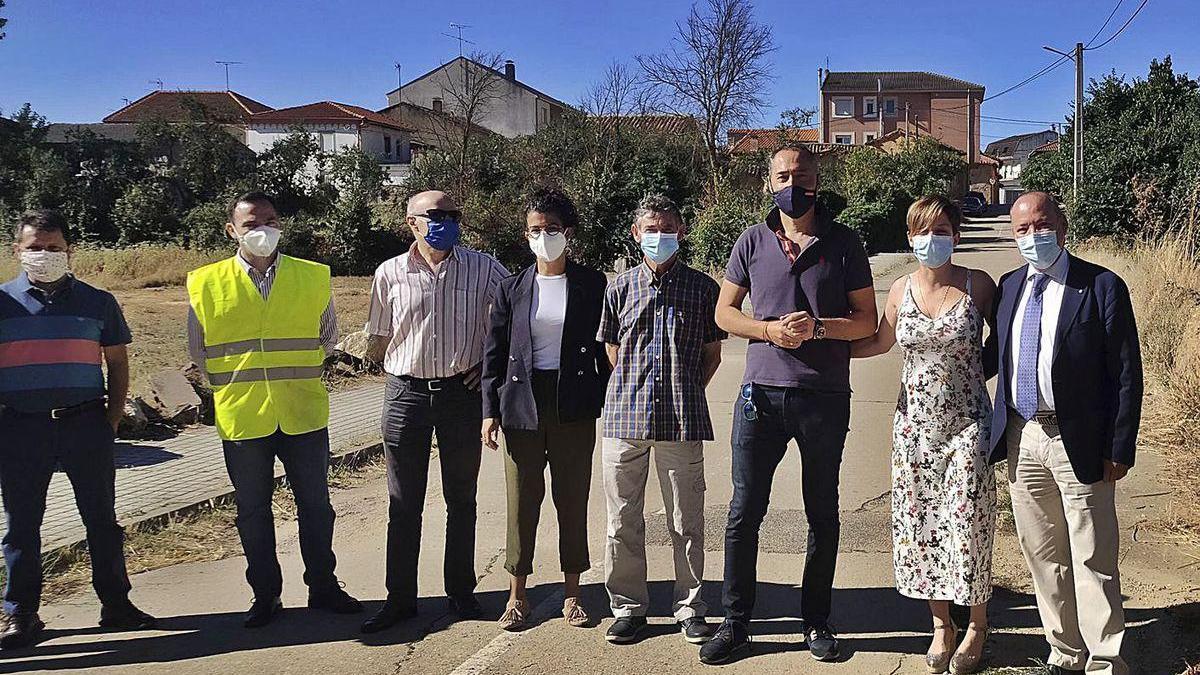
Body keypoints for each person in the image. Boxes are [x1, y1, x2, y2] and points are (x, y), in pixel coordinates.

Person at [701, 145, 877, 665]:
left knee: (821, 513)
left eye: (800, 175)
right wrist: (768, 330)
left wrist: (819, 327)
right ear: (767, 183)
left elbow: (866, 320)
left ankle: (816, 622)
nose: (791, 184)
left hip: (823, 397)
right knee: (743, 512)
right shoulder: (751, 242)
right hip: (760, 397)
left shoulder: (844, 242)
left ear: (817, 180)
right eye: (782, 175)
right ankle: (736, 623)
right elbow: (725, 312)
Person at [187, 191, 361, 628]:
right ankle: (265, 595)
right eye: (250, 224)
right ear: (232, 230)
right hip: (243, 417)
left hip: (302, 412)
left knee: (316, 506)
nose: (262, 229)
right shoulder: (205, 282)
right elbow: (199, 352)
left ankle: (323, 586)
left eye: (270, 219)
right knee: (252, 511)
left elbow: (326, 339)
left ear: (281, 223)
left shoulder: (312, 277)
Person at [985, 192, 1141, 675]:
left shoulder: (1101, 286)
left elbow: (1125, 373)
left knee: (1093, 554)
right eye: (1023, 229)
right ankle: (1065, 652)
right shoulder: (1009, 286)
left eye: (1043, 224)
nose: (1034, 236)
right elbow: (995, 357)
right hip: (1021, 435)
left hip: (1080, 438)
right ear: (1013, 236)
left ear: (1063, 226)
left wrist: (1118, 446)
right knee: (1042, 553)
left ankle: (1104, 660)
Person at [851, 196, 998, 674]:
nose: (929, 240)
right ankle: (941, 625)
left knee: (968, 520)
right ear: (909, 236)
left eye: (939, 230)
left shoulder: (980, 286)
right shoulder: (898, 289)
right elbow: (877, 341)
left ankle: (977, 622)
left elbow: (1007, 341)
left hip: (968, 424)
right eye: (920, 231)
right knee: (922, 525)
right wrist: (818, 345)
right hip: (913, 427)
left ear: (955, 234)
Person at [0, 209, 156, 650]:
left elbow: (118, 363)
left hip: (85, 423)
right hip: (19, 428)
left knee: (102, 521)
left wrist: (109, 418)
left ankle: (116, 606)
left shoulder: (98, 302)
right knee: (22, 526)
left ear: (70, 251)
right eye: (34, 248)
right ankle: (21, 615)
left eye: (53, 248)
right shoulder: (1, 302)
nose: (44, 255)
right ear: (17, 251)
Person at [361, 190, 509, 633]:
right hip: (405, 395)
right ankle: (400, 599)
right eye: (435, 215)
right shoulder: (389, 273)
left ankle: (461, 593)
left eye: (452, 214)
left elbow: (519, 302)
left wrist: (488, 362)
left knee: (461, 499)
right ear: (412, 223)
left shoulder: (483, 267)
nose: (445, 221)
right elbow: (379, 336)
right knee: (403, 503)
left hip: (460, 396)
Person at [597, 193, 724, 647]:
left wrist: (684, 390)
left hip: (681, 420)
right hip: (623, 420)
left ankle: (690, 607)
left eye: (667, 228)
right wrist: (636, 387)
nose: (659, 236)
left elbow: (712, 354)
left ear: (682, 232)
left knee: (686, 521)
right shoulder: (619, 288)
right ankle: (629, 608)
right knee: (621, 519)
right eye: (650, 229)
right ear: (636, 234)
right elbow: (612, 350)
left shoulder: (703, 288)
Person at [481, 188, 609, 631]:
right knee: (521, 501)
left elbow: (605, 349)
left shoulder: (593, 285)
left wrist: (608, 402)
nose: (543, 236)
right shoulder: (511, 287)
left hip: (574, 401)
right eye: (536, 230)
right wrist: (489, 410)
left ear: (568, 233)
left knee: (572, 499)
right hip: (522, 402)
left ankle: (573, 593)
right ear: (526, 234)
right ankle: (517, 595)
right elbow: (494, 354)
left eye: (551, 229)